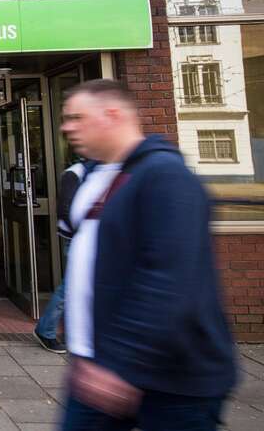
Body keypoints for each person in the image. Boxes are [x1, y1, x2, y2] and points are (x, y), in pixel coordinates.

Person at [58, 80, 236, 430]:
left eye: (77, 117)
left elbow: (169, 282)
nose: (67, 127)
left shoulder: (165, 177)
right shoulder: (97, 175)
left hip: (170, 380)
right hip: (97, 366)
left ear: (113, 115)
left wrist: (122, 363)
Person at [33, 160, 89, 354]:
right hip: (79, 240)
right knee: (70, 287)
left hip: (94, 241)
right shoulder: (75, 173)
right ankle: (46, 330)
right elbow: (64, 208)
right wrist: (83, 231)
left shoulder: (101, 170)